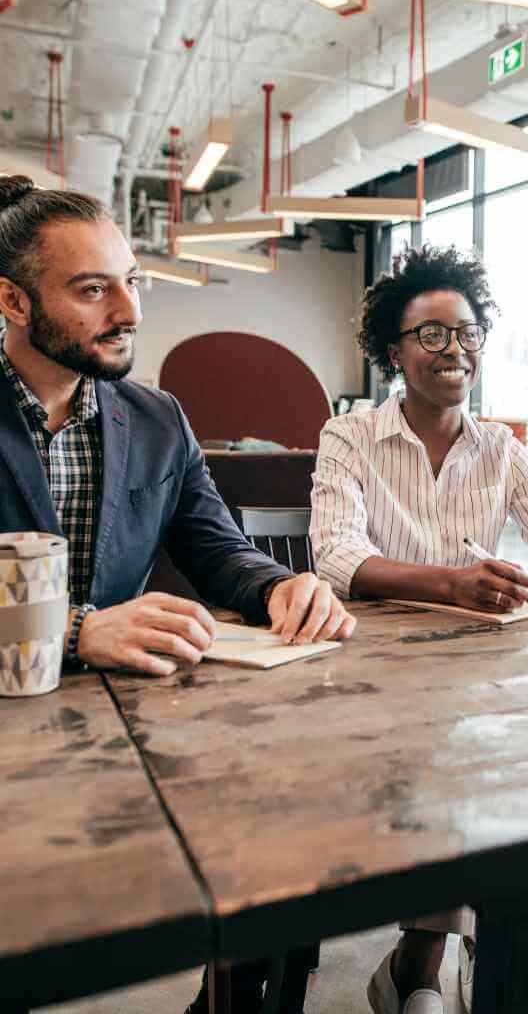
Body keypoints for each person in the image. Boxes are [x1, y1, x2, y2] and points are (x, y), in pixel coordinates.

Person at [0, 175, 356, 1014]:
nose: (128, 309)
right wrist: (80, 629)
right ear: (12, 301)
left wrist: (283, 586)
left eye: (133, 280)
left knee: (292, 827)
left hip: (123, 741)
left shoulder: (157, 418)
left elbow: (221, 551)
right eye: (93, 289)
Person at [310, 242, 528, 1014]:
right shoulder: (348, 437)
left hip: (475, 676)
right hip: (372, 673)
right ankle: (443, 956)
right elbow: (337, 553)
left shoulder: (502, 449)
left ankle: (430, 957)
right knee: (464, 760)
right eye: (433, 335)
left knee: (516, 753)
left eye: (469, 334)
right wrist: (450, 582)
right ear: (394, 350)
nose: (456, 350)